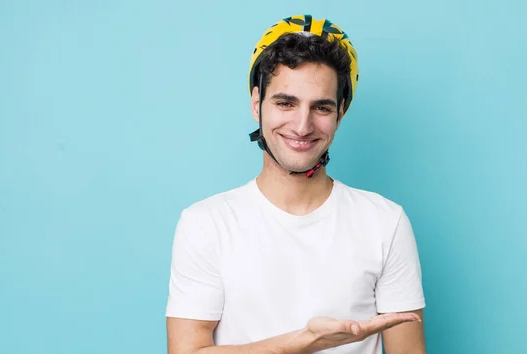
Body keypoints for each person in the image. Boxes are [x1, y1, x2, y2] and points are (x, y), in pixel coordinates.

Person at [165, 15, 426, 354]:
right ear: (257, 103)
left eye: (321, 107)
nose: (302, 126)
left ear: (340, 113)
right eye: (285, 103)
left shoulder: (385, 222)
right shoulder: (205, 224)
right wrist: (303, 342)